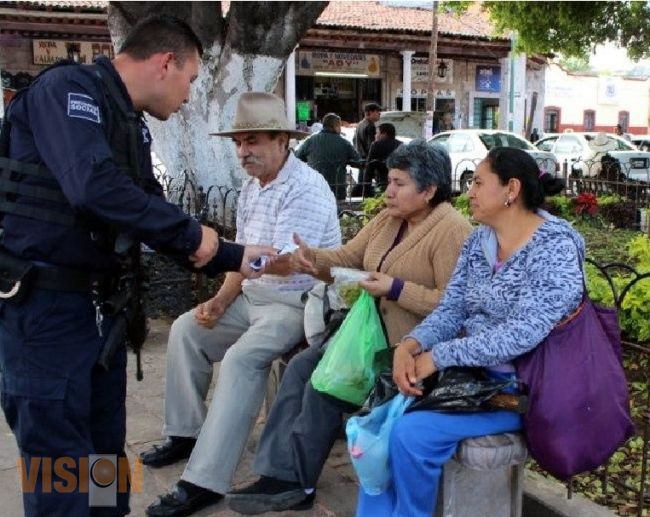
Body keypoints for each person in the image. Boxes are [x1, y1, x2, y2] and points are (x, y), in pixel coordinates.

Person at [0, 16, 273, 517]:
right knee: (60, 467)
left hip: (101, 314)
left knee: (105, 453)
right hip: (46, 314)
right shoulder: (67, 90)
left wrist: (232, 254)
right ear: (165, 63)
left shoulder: (125, 120)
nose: (189, 96)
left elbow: (146, 206)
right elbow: (92, 186)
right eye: (190, 80)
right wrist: (199, 239)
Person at [226, 140, 473, 514]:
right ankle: (278, 472)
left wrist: (397, 288)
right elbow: (348, 257)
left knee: (326, 383)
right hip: (366, 338)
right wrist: (312, 259)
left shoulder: (450, 230)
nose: (388, 191)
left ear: (429, 191)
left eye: (399, 183)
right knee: (299, 369)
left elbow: (455, 304)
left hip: (410, 352)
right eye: (388, 180)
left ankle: (297, 481)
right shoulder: (390, 220)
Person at [141, 92, 342, 517]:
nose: (243, 151)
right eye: (238, 142)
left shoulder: (304, 187)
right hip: (255, 294)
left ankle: (205, 479)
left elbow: (287, 264)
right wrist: (218, 300)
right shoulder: (252, 190)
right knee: (186, 330)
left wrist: (240, 255)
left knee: (242, 359)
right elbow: (245, 259)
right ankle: (187, 433)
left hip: (297, 301)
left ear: (282, 141)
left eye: (253, 141)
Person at [356, 147, 585, 517]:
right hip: (471, 379)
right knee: (375, 423)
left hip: (522, 389)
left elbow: (522, 333)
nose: (468, 193)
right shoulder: (479, 241)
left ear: (511, 189)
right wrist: (411, 345)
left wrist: (439, 356)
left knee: (412, 434)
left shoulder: (555, 247)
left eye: (478, 182)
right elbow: (452, 309)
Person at [295, 112, 361, 200]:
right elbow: (358, 161)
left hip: (315, 188)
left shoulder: (310, 141)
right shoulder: (344, 143)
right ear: (336, 126)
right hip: (337, 189)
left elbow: (298, 158)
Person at [365, 122, 402, 191]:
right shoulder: (401, 145)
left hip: (382, 183)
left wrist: (366, 188)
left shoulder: (376, 145)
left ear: (384, 134)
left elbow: (369, 168)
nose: (375, 135)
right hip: (398, 183)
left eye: (377, 133)